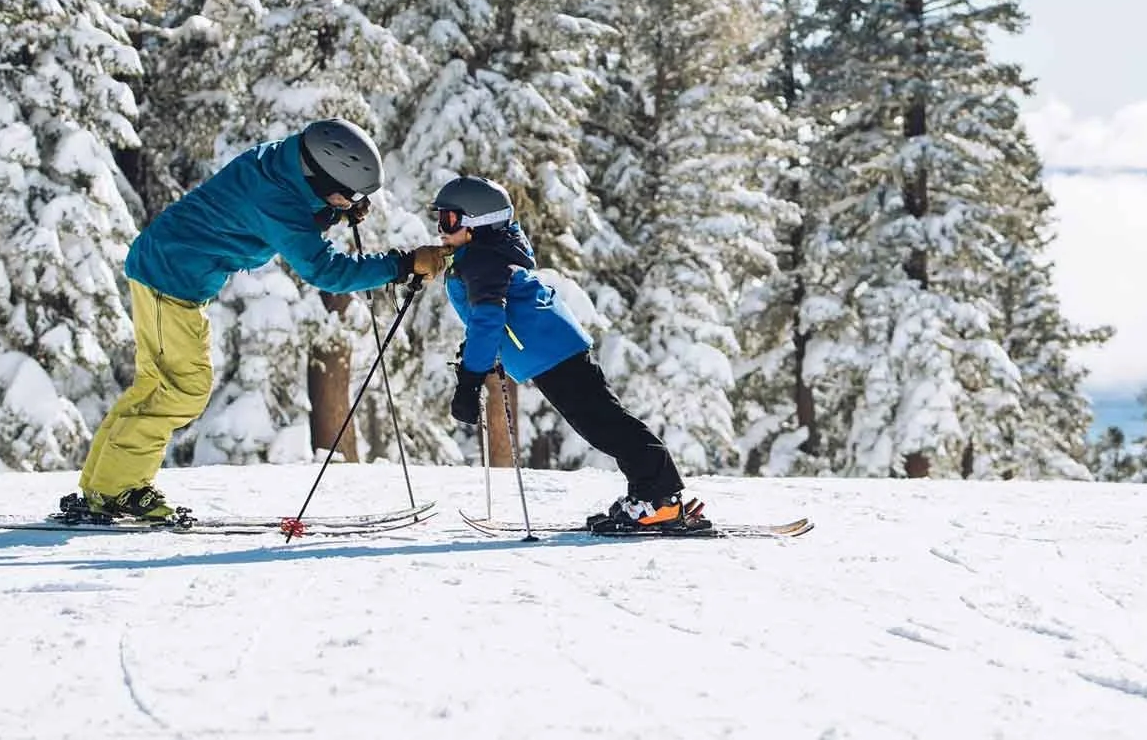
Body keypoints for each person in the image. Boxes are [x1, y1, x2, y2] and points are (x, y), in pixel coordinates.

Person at [66, 119, 448, 522]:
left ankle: (104, 484)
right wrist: (402, 264)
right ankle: (117, 489)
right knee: (183, 390)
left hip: (166, 268)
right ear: (321, 176)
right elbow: (325, 270)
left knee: (157, 385)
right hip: (171, 280)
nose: (350, 201)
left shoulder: (283, 161)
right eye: (348, 193)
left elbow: (297, 210)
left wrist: (336, 209)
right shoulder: (277, 198)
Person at [431, 174, 700, 533]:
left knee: (604, 425)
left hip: (552, 351)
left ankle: (661, 499)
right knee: (603, 422)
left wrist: (470, 379)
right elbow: (489, 319)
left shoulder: (481, 261)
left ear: (478, 223)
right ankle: (649, 494)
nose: (440, 228)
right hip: (551, 348)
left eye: (449, 220)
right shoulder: (482, 257)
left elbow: (489, 318)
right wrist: (476, 356)